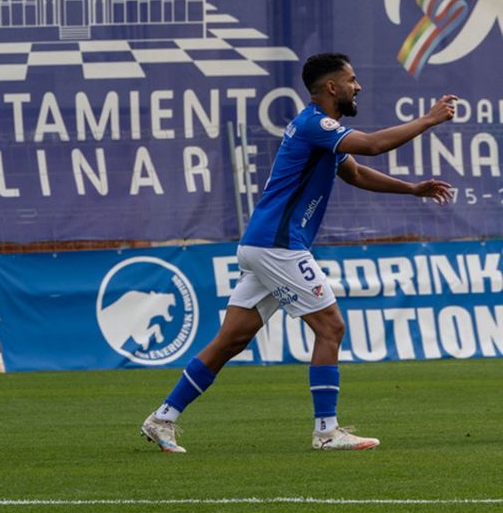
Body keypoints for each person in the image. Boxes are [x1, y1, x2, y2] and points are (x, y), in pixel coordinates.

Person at [141, 52, 456, 454]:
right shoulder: (316, 124)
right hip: (279, 245)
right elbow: (374, 145)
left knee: (231, 340)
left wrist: (411, 189)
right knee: (331, 328)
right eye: (352, 79)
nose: (357, 86)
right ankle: (326, 431)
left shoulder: (319, 131)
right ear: (331, 87)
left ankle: (163, 418)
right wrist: (428, 120)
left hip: (264, 244)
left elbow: (356, 172)